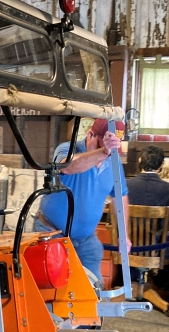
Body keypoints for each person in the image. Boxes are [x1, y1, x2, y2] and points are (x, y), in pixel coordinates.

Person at [35, 118, 129, 284]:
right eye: (102, 145)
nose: (107, 154)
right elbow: (67, 167)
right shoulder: (67, 149)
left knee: (93, 291)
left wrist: (123, 234)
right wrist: (103, 152)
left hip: (86, 239)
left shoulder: (113, 162)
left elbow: (120, 197)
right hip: (51, 233)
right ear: (90, 134)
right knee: (51, 290)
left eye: (113, 148)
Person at [126, 145, 169, 294]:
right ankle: (162, 290)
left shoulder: (125, 185)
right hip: (157, 251)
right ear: (161, 165)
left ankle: (131, 284)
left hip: (128, 247)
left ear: (140, 161)